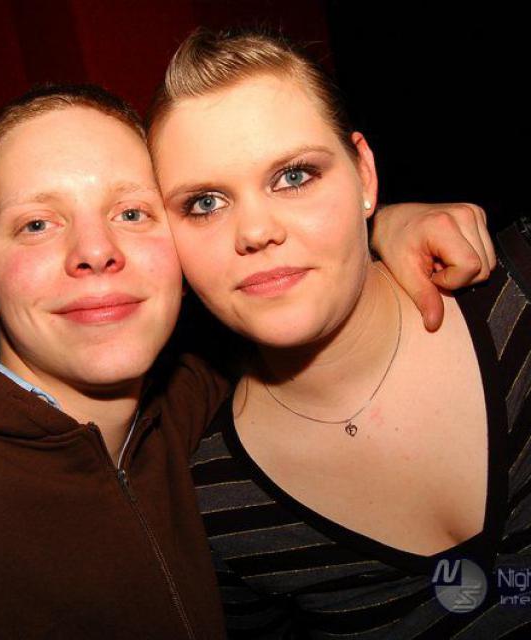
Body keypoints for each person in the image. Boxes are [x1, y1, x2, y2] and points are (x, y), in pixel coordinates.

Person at [0, 83, 493, 638]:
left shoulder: (201, 394)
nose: (95, 251)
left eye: (131, 213)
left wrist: (381, 225)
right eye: (37, 224)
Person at [147, 30, 531, 638]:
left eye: (294, 176)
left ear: (365, 176)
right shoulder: (220, 510)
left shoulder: (521, 296)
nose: (256, 230)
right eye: (205, 203)